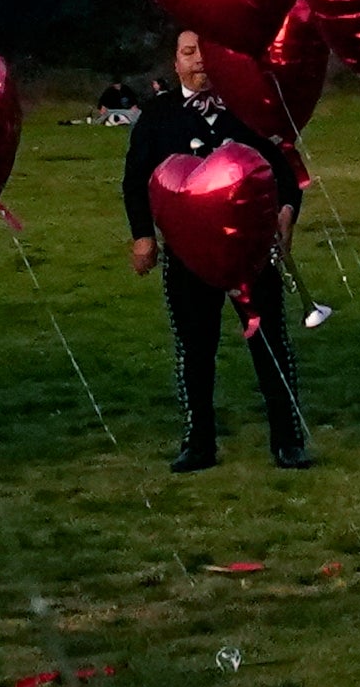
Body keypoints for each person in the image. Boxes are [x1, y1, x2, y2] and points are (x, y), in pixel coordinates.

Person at [123, 27, 311, 472]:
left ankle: (288, 440)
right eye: (189, 53)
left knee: (270, 343)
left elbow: (285, 170)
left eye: (205, 52)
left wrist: (288, 210)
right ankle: (198, 442)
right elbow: (135, 180)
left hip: (251, 254)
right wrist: (143, 236)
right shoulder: (158, 115)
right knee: (195, 349)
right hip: (188, 256)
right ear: (175, 62)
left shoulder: (247, 105)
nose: (199, 61)